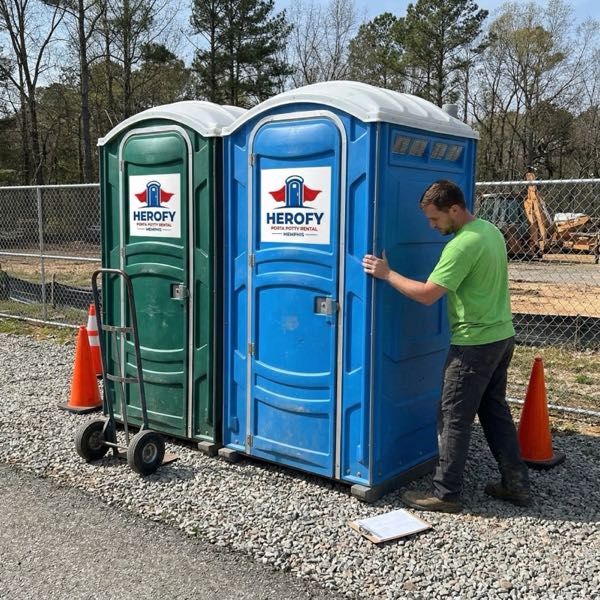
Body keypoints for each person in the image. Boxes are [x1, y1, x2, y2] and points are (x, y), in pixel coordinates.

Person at [362, 179, 531, 513]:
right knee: (494, 411)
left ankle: (446, 493)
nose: (431, 225)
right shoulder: (490, 231)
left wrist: (386, 273)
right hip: (501, 336)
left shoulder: (461, 246)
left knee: (452, 416)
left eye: (435, 219)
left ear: (454, 209)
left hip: (474, 344)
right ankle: (516, 484)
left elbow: (427, 295)